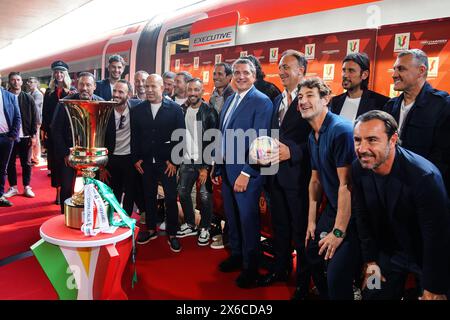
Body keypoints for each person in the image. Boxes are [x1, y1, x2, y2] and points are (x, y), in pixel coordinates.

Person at [352, 110, 449, 300]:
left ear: (393, 139)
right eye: (357, 140)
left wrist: (433, 288)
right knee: (372, 294)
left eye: (372, 140)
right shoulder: (359, 167)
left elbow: (436, 237)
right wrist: (370, 260)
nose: (362, 148)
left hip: (426, 255)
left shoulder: (424, 176)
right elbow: (362, 216)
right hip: (387, 252)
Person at [211, 58, 273, 288]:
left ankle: (251, 267)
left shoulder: (262, 102)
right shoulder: (229, 100)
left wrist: (247, 172)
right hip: (227, 170)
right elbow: (222, 135)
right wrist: (218, 166)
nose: (240, 76)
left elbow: (263, 141)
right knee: (232, 218)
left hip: (247, 173)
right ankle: (237, 255)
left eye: (246, 72)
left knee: (248, 220)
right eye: (236, 73)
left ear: (254, 75)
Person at [299, 77, 360, 300]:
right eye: (300, 97)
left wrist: (338, 232)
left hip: (355, 213)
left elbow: (347, 185)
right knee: (312, 252)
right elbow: (315, 181)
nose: (303, 101)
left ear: (326, 99)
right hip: (334, 207)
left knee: (336, 274)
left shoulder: (340, 130)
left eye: (309, 96)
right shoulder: (312, 135)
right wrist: (312, 222)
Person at [258, 50, 312, 300]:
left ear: (301, 70)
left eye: (286, 67)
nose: (281, 71)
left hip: (298, 178)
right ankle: (280, 271)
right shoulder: (278, 99)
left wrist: (294, 152)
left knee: (300, 233)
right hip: (274, 176)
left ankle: (303, 282)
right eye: (279, 67)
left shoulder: (310, 98)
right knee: (279, 228)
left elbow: (316, 138)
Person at [383, 49, 450, 197]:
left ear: (421, 71)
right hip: (392, 188)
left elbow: (443, 158)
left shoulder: (443, 105)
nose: (394, 75)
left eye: (401, 69)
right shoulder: (389, 106)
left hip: (425, 192)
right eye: (394, 69)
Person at [131, 74, 185, 252]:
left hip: (167, 162)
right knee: (149, 197)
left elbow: (181, 137)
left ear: (162, 88)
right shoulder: (137, 110)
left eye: (153, 86)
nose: (149, 90)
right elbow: (135, 137)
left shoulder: (175, 109)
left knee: (170, 198)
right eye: (147, 86)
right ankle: (151, 229)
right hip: (146, 162)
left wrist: (174, 162)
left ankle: (172, 233)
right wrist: (136, 158)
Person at [52, 72, 104, 214]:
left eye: (88, 85)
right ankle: (65, 216)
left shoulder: (101, 102)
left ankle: (92, 215)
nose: (84, 88)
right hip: (69, 153)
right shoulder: (64, 102)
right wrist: (65, 153)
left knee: (95, 186)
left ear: (94, 86)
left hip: (93, 153)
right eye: (81, 84)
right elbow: (55, 130)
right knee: (67, 187)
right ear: (77, 85)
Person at [177, 78, 219, 246]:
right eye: (190, 90)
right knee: (183, 192)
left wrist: (206, 167)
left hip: (203, 162)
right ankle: (190, 223)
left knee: (205, 196)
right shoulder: (182, 110)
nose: (193, 93)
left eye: (196, 90)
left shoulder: (209, 112)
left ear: (202, 92)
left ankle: (205, 227)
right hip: (187, 160)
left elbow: (213, 140)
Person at [103, 80, 143, 217]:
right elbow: (99, 139)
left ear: (129, 95)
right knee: (114, 192)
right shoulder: (105, 110)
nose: (116, 95)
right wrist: (102, 166)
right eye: (115, 91)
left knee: (130, 193)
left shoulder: (137, 108)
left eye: (121, 92)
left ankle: (126, 220)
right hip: (111, 158)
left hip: (130, 158)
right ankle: (113, 220)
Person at [208, 62, 234, 249]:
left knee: (226, 197)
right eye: (214, 73)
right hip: (214, 147)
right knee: (215, 193)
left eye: (219, 74)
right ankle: (216, 228)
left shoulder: (233, 95)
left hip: (229, 151)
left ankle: (227, 235)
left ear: (228, 76)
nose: (216, 77)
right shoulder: (212, 96)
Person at [41, 60, 74, 204]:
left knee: (66, 164)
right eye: (56, 72)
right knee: (55, 165)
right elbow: (45, 113)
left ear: (65, 74)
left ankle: (67, 190)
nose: (58, 74)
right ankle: (58, 192)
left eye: (61, 72)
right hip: (53, 135)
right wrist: (44, 131)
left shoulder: (72, 92)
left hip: (68, 135)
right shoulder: (49, 93)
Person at [3, 72, 38, 199]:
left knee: (27, 163)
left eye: (18, 80)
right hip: (10, 136)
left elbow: (35, 117)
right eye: (13, 80)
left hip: (26, 135)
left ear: (22, 82)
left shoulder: (28, 98)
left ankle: (27, 186)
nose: (16, 82)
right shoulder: (4, 97)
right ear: (9, 82)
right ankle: (13, 187)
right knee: (10, 163)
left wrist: (34, 135)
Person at [329, 53, 389, 121]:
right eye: (344, 70)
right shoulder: (335, 102)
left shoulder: (381, 103)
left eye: (351, 71)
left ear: (364, 75)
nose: (345, 75)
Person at [0, 86, 21, 207]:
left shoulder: (10, 96)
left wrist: (13, 135)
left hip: (6, 138)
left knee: (2, 168)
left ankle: (0, 195)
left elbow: (17, 117)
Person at [27, 77, 44, 164]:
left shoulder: (38, 94)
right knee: (31, 139)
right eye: (28, 82)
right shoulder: (29, 93)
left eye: (31, 82)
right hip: (29, 120)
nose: (29, 83)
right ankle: (33, 157)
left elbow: (34, 107)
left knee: (36, 139)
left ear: (36, 83)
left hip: (36, 120)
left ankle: (37, 158)